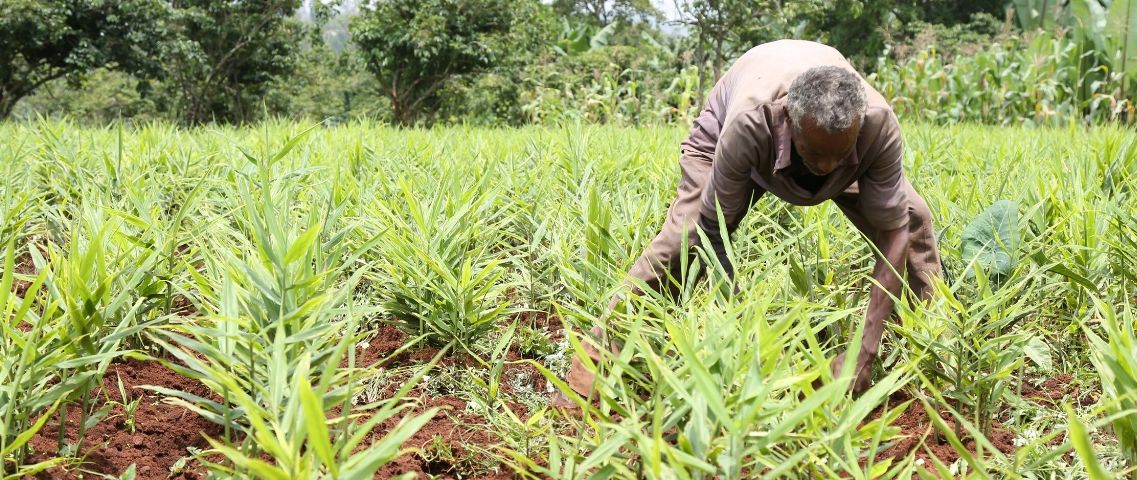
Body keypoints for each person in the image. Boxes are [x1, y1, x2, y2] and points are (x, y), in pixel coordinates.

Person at [550, 39, 942, 408]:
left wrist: (864, 347)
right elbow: (713, 230)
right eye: (814, 153)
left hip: (833, 140)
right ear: (789, 121)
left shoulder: (875, 122)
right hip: (727, 146)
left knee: (914, 220)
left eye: (837, 155)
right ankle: (591, 372)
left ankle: (936, 352)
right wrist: (741, 326)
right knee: (684, 237)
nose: (824, 168)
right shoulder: (751, 121)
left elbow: (894, 230)